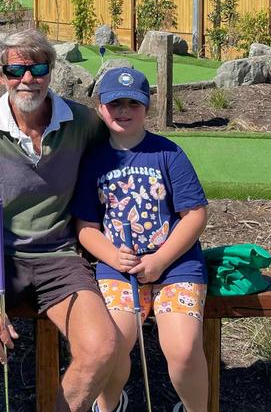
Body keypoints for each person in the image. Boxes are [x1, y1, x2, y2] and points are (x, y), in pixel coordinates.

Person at [0, 28, 120, 412]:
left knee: (101, 347)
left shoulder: (83, 123)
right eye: (16, 70)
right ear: (1, 75)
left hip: (61, 258)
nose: (27, 79)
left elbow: (125, 157)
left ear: (51, 70)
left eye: (38, 67)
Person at [72, 67, 209, 412]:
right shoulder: (93, 160)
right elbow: (86, 226)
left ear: (147, 108)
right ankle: (111, 404)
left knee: (183, 349)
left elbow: (195, 214)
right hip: (119, 268)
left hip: (176, 266)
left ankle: (194, 408)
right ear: (101, 107)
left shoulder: (168, 153)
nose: (124, 110)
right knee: (113, 344)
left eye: (133, 103)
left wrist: (161, 260)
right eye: (115, 102)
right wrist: (113, 257)